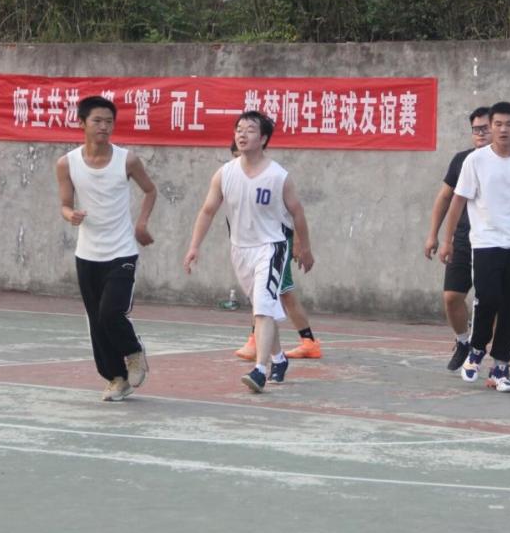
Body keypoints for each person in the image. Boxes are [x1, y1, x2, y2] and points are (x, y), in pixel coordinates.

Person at [184, 111, 314, 393]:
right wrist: (194, 246)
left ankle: (259, 370)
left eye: (250, 130)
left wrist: (304, 247)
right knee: (262, 308)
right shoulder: (224, 174)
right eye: (239, 129)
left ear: (264, 138)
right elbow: (208, 211)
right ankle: (278, 359)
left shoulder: (278, 176)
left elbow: (297, 213)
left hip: (272, 246)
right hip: (241, 250)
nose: (242, 134)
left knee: (264, 305)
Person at [438, 101, 510, 393]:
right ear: (491, 127)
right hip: (486, 242)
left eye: (508, 124)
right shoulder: (475, 161)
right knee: (487, 297)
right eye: (497, 124)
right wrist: (447, 240)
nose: (503, 129)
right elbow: (457, 201)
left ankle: (500, 367)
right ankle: (476, 349)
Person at [55, 95, 157, 402]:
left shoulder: (127, 160)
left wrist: (141, 224)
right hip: (87, 254)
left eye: (109, 122)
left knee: (111, 312)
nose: (104, 127)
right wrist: (70, 215)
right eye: (97, 121)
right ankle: (116, 378)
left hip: (122, 250)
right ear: (82, 123)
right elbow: (64, 204)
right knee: (96, 321)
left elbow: (150, 191)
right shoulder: (67, 163)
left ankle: (134, 352)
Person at [227, 143, 322, 362]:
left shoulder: (272, 177)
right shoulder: (232, 179)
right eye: (236, 157)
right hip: (256, 247)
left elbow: (292, 213)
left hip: (276, 245)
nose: (241, 160)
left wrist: (299, 242)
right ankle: (307, 341)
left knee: (274, 293)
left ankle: (258, 342)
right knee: (275, 293)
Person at [424, 107, 491, 371]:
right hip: (463, 238)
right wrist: (435, 236)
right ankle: (463, 341)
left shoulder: (509, 162)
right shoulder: (462, 160)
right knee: (452, 297)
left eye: (485, 128)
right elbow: (444, 198)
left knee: (491, 301)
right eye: (476, 129)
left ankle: (495, 357)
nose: (481, 133)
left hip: (493, 241)